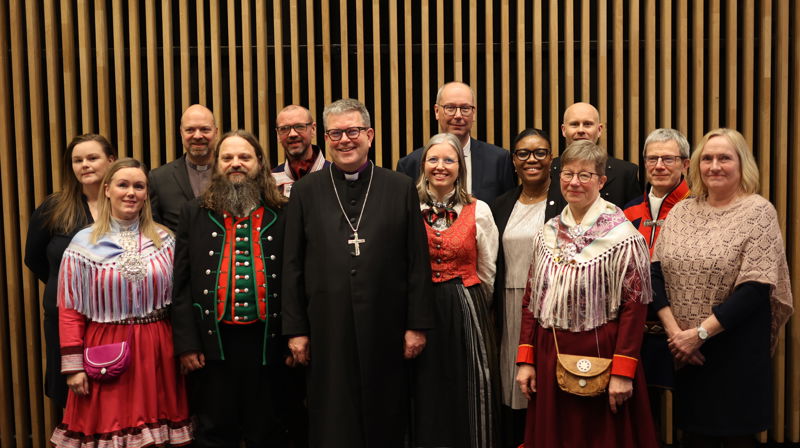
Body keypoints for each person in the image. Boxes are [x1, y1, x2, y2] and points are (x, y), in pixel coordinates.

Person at [282, 98, 434, 447]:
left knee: (387, 412)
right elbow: (291, 266)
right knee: (332, 414)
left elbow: (416, 260)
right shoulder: (306, 191)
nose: (344, 140)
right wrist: (295, 330)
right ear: (326, 137)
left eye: (352, 131)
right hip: (326, 326)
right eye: (335, 133)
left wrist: (416, 325)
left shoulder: (398, 187)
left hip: (387, 324)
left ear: (370, 135)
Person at [651, 128, 793, 448]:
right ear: (697, 165)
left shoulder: (758, 211)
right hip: (689, 355)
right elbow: (655, 274)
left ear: (742, 164)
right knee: (694, 436)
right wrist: (678, 336)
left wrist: (700, 333)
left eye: (724, 158)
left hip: (735, 353)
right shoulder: (683, 211)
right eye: (707, 158)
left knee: (736, 438)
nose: (714, 165)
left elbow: (755, 288)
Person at [515, 140, 658, 447]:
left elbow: (635, 308)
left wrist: (623, 371)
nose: (574, 182)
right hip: (549, 352)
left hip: (603, 354)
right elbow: (531, 300)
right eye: (568, 174)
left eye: (585, 175)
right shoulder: (547, 232)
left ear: (601, 181)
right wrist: (526, 359)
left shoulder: (623, 236)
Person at [171, 130, 299, 447]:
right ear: (217, 165)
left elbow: (298, 279)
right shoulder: (194, 212)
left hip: (269, 342)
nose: (236, 163)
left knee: (268, 429)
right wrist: (187, 344)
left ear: (260, 163)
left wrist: (296, 335)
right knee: (215, 430)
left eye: (244, 157)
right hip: (213, 344)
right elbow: (181, 283)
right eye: (227, 157)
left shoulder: (284, 212)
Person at [51, 158, 191, 447]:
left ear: (146, 194)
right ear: (106, 190)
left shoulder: (165, 240)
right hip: (105, 346)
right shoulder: (82, 243)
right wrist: (74, 366)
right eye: (123, 185)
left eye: (138, 186)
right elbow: (69, 310)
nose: (131, 192)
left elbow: (182, 299)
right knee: (111, 431)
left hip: (157, 348)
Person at [412, 133, 500, 448]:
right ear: (423, 165)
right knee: (425, 386)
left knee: (469, 384)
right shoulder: (407, 205)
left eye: (449, 160)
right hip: (421, 307)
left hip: (466, 303)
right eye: (433, 159)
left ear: (459, 167)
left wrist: (478, 304)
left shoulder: (480, 210)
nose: (440, 166)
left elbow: (488, 269)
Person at [25, 134, 117, 409]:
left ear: (111, 161)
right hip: (64, 322)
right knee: (73, 400)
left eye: (92, 158)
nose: (85, 165)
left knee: (111, 399)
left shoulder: (126, 203)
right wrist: (66, 289)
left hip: (112, 322)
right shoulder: (54, 208)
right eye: (78, 160)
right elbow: (34, 259)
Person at [489, 129, 560, 448]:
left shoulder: (565, 200)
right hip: (508, 307)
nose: (532, 159)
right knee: (511, 385)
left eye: (540, 152)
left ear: (551, 159)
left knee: (547, 383)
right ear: (514, 161)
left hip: (552, 309)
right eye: (523, 153)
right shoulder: (501, 204)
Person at [622, 129, 691, 435]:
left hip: (685, 334)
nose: (659, 165)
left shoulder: (698, 208)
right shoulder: (627, 211)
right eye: (653, 158)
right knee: (641, 423)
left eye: (668, 158)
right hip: (638, 333)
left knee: (690, 423)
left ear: (686, 164)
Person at [396, 82, 516, 203]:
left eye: (465, 108)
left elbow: (507, 210)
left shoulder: (499, 160)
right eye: (450, 108)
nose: (458, 115)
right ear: (437, 111)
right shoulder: (409, 165)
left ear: (473, 113)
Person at [548, 102, 640, 210]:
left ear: (599, 129)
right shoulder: (549, 169)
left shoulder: (625, 172)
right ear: (564, 130)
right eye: (574, 124)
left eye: (587, 124)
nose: (581, 130)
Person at [150, 104, 219, 231]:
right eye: (190, 130)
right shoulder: (158, 179)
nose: (197, 136)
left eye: (205, 129)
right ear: (181, 133)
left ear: (216, 132)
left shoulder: (231, 174)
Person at [271, 105, 329, 197]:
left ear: (313, 129)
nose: (292, 134)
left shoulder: (335, 175)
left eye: (299, 127)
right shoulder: (271, 181)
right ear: (278, 134)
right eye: (284, 129)